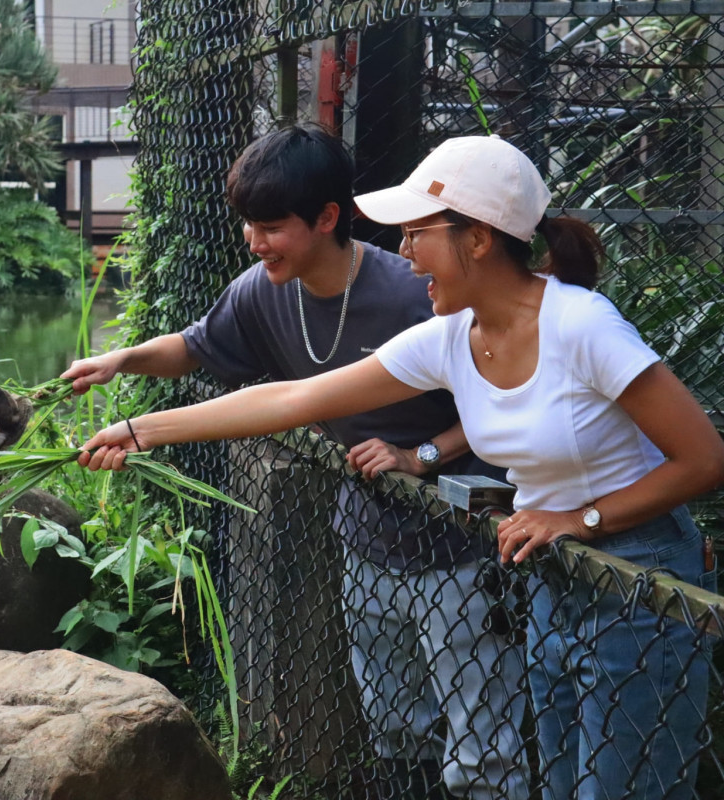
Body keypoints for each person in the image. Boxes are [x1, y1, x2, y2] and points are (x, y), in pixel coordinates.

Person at [79, 134, 724, 800]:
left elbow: (704, 459)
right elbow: (293, 399)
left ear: (479, 239)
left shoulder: (582, 326)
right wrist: (139, 431)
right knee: (564, 785)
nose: (405, 252)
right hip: (553, 569)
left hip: (639, 572)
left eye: (418, 234)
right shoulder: (451, 337)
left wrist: (580, 518)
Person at [63, 124, 530, 800]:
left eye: (272, 226)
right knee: (396, 728)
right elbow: (196, 347)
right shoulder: (261, 290)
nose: (254, 241)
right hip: (366, 539)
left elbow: (500, 399)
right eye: (249, 225)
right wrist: (122, 359)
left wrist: (424, 453)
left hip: (461, 548)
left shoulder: (419, 296)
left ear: (327, 217)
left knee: (481, 752)